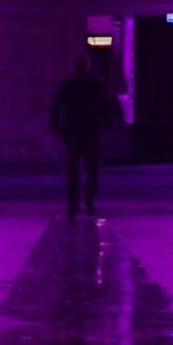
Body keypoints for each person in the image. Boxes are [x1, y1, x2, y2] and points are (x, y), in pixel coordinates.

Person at [47, 49, 123, 218]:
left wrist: (57, 128)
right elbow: (106, 108)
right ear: (88, 66)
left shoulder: (67, 85)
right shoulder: (97, 84)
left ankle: (73, 205)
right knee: (92, 170)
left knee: (73, 171)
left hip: (72, 132)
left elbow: (55, 108)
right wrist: (105, 125)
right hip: (91, 132)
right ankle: (89, 201)